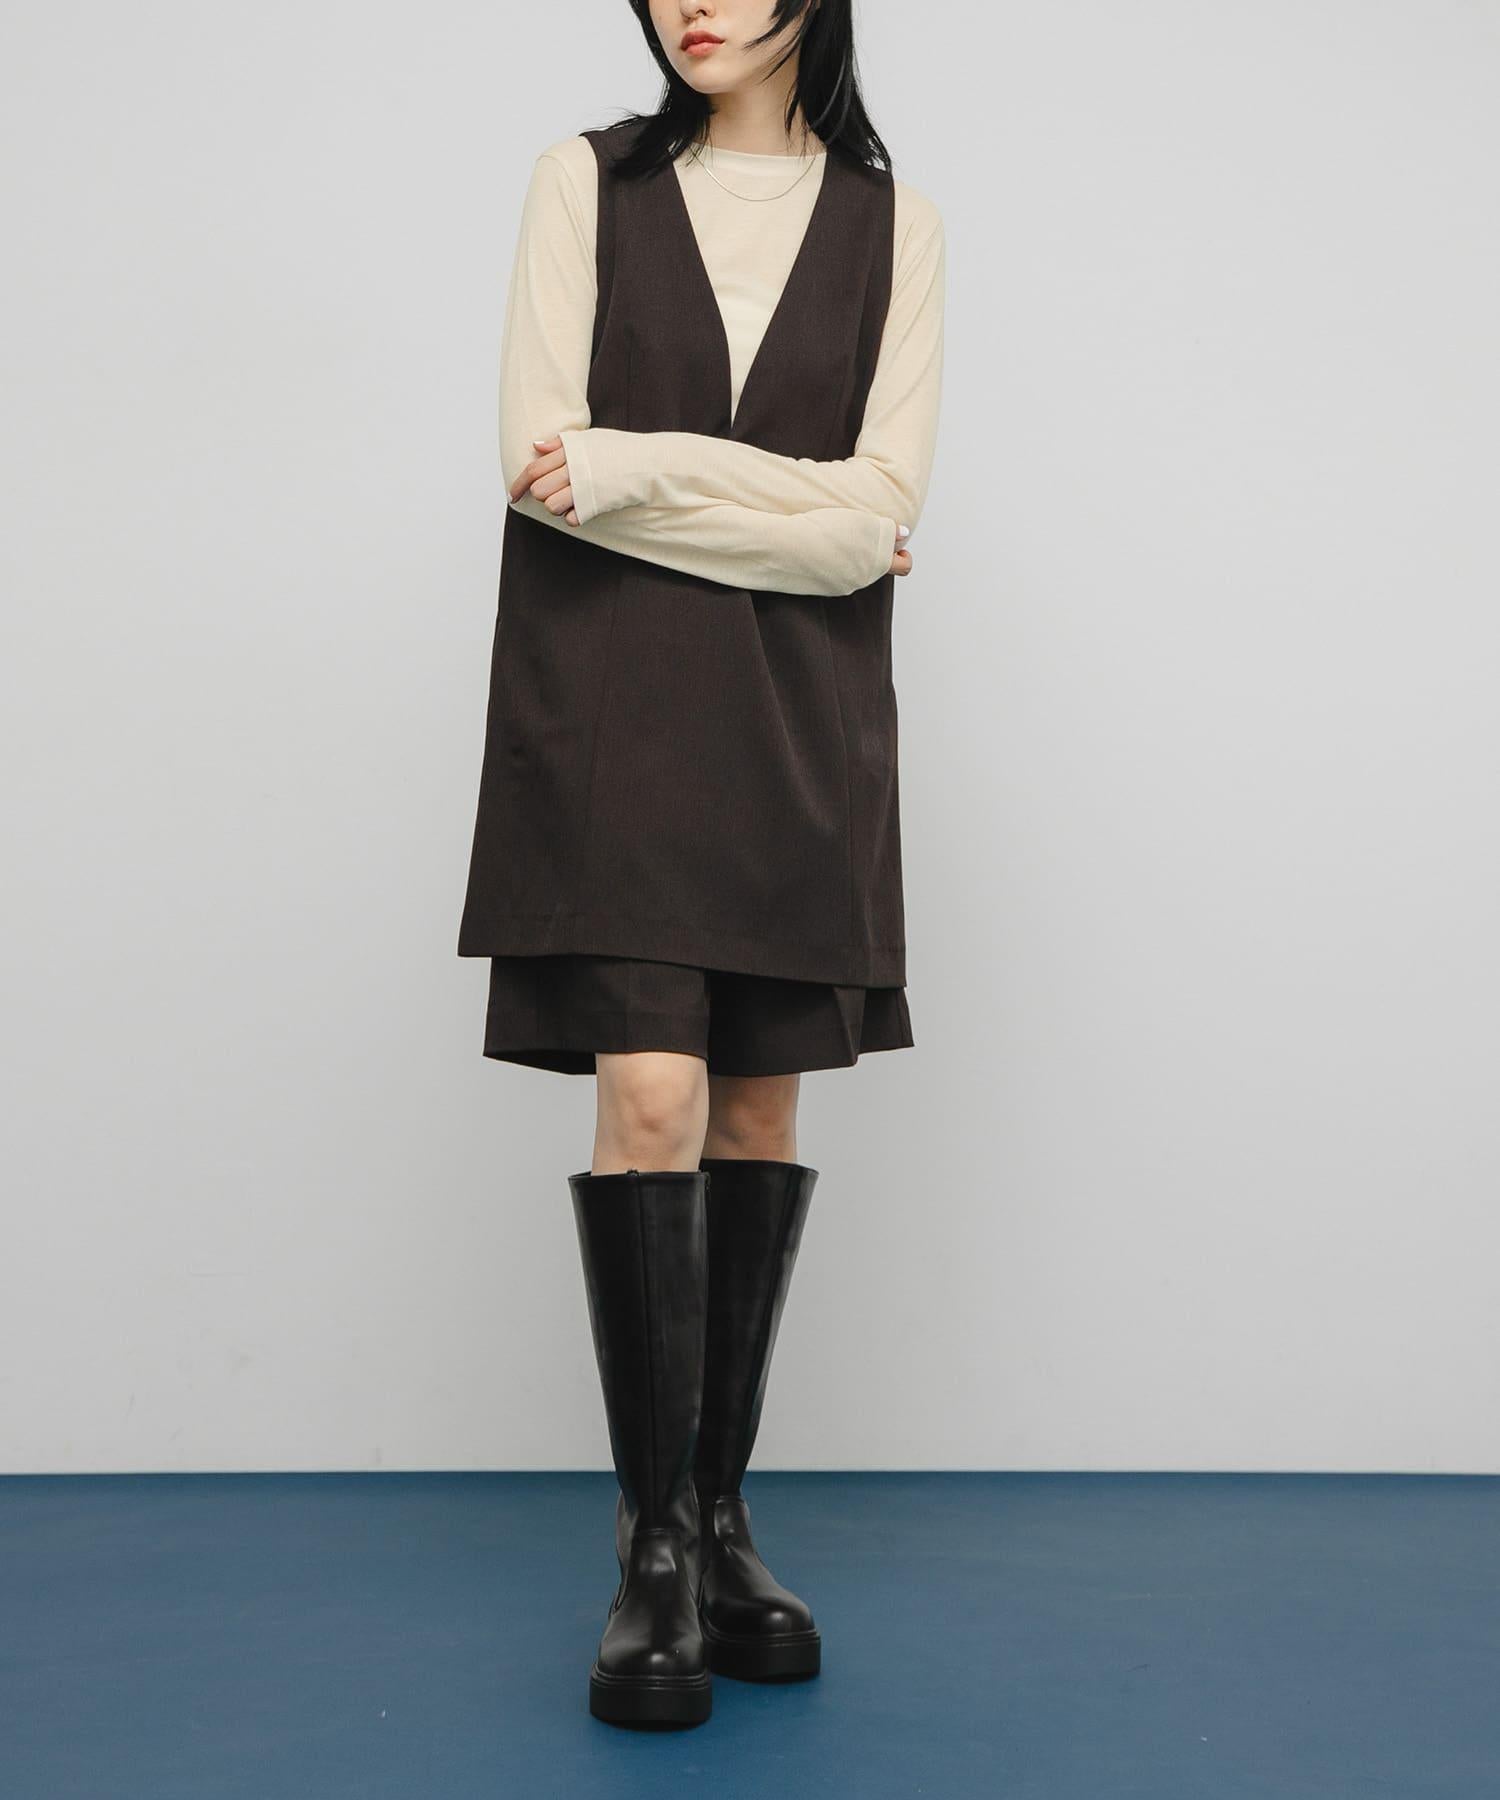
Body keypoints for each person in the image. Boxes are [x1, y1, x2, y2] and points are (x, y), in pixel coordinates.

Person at [457, 0, 944, 1729]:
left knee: (756, 1107)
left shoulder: (896, 222)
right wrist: (793, 512)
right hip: (615, 715)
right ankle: (650, 1546)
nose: (693, 1)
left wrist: (637, 463)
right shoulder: (581, 183)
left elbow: (880, 516)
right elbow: (539, 475)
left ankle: (723, 1522)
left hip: (799, 728)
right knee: (651, 1094)